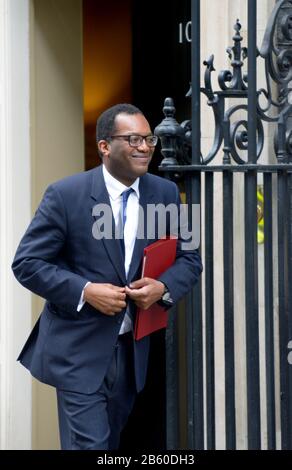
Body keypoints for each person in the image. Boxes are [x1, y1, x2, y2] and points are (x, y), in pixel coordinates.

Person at [12, 103, 202, 450]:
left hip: (132, 355)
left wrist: (162, 287)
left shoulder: (166, 194)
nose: (144, 147)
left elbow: (190, 259)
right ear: (104, 146)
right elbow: (27, 263)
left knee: (110, 444)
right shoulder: (65, 195)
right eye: (133, 139)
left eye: (149, 139)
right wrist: (85, 290)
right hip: (77, 352)